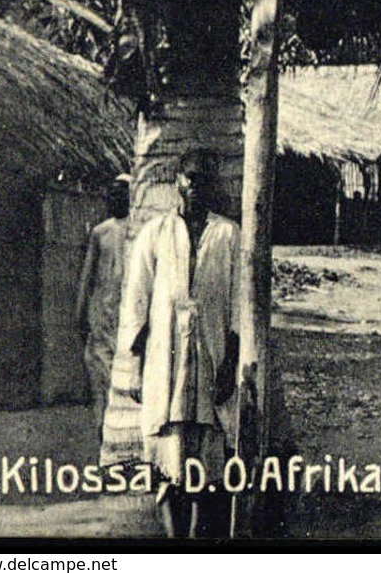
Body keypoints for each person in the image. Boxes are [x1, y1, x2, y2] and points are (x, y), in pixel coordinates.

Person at [118, 149, 241, 538]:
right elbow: (137, 301)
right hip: (163, 362)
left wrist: (230, 363)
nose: (198, 187)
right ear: (178, 182)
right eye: (192, 179)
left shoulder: (228, 234)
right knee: (167, 456)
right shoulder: (155, 234)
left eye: (206, 180)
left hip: (209, 353)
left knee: (206, 458)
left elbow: (238, 304)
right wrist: (136, 369)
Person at [76, 174, 131, 429]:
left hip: (126, 319)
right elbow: (87, 277)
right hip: (102, 319)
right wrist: (81, 315)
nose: (113, 198)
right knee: (101, 387)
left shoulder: (138, 229)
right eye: (111, 194)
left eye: (120, 193)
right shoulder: (101, 232)